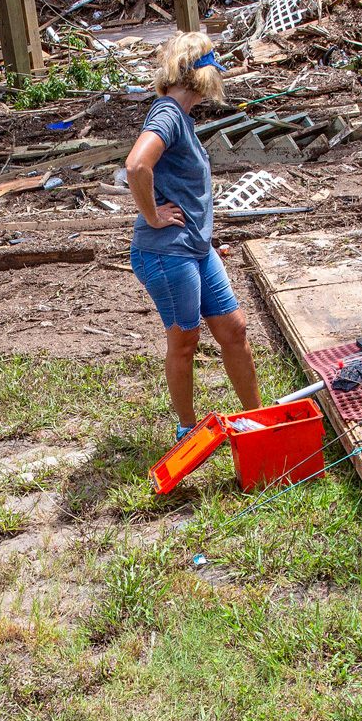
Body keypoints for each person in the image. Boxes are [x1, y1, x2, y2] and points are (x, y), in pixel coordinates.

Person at [124, 30, 262, 443]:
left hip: (195, 250)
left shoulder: (180, 118)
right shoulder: (167, 113)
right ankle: (187, 431)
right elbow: (136, 166)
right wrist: (152, 216)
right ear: (201, 74)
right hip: (167, 254)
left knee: (233, 330)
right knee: (185, 341)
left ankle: (257, 421)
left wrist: (203, 234)